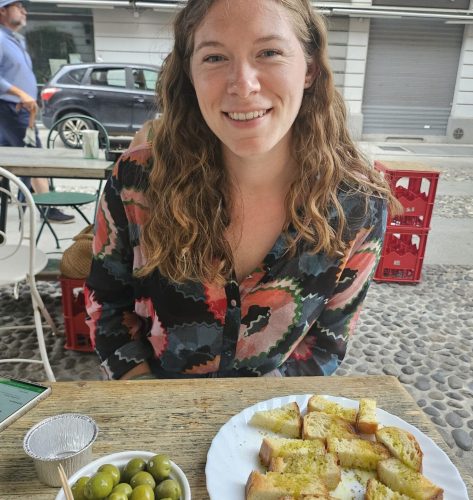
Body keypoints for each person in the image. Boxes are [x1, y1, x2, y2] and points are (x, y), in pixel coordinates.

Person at [85, 0, 398, 381]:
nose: (243, 85)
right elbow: (107, 307)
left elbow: (326, 344)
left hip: (269, 423)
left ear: (310, 69)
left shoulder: (358, 204)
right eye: (215, 58)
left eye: (269, 52)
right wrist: (155, 410)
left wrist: (256, 424)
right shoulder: (137, 180)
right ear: (190, 74)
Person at [0, 0, 74, 223]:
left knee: (27, 159)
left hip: (21, 110)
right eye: (18, 6)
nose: (24, 10)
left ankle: (29, 201)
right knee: (34, 158)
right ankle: (45, 206)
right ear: (2, 11)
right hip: (10, 109)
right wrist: (21, 94)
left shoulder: (15, 40)